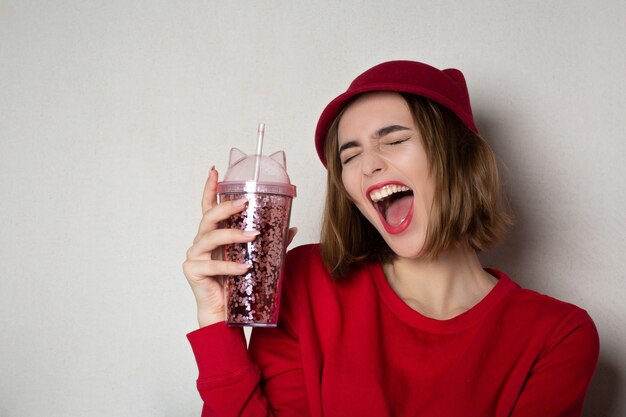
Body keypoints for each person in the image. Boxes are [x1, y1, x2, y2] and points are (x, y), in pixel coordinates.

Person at [183, 60, 599, 416]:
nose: (367, 166)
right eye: (349, 156)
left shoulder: (558, 336)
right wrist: (219, 324)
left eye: (395, 140)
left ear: (461, 157)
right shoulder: (306, 283)